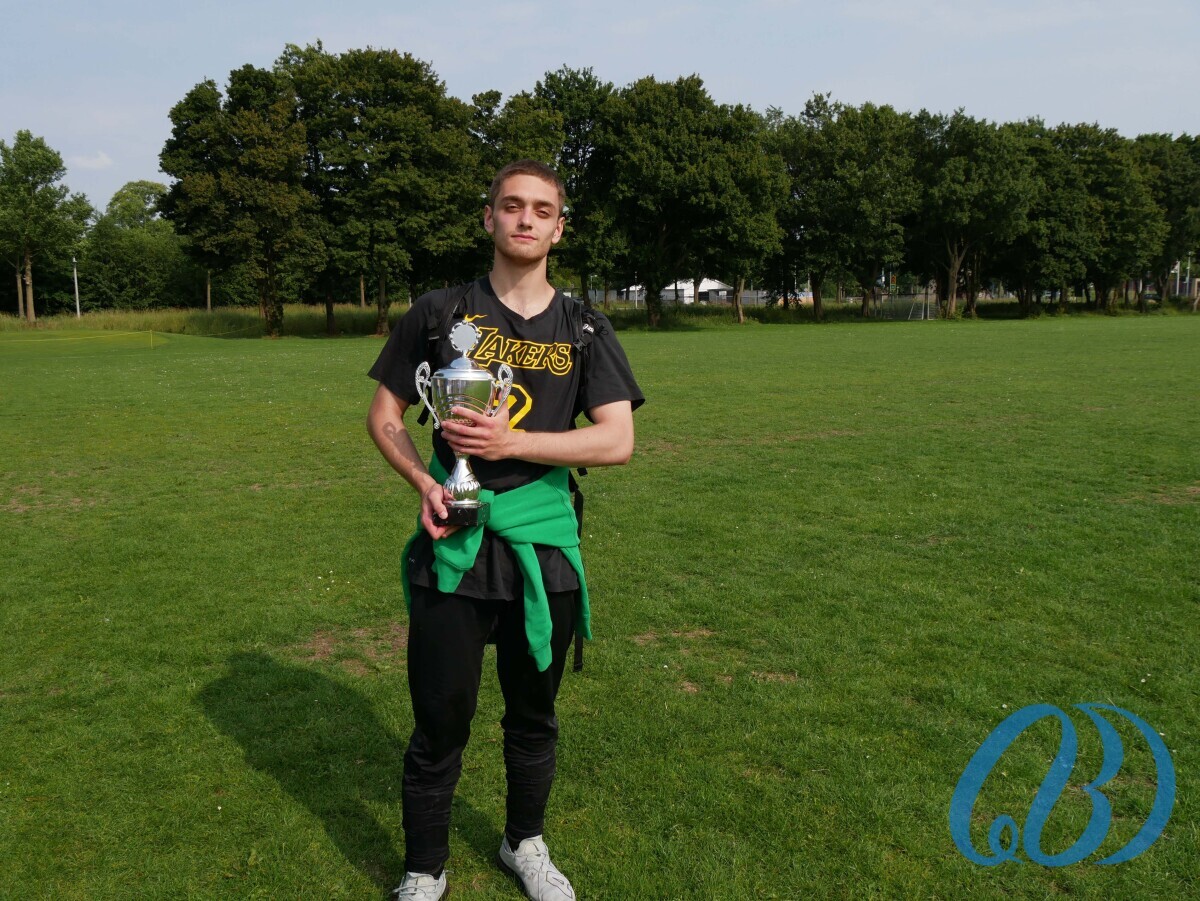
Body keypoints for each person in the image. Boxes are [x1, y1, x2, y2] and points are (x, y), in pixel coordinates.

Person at [366, 160, 644, 901]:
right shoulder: (440, 313)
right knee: (439, 721)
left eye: (541, 210)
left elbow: (616, 440)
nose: (526, 219)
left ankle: (524, 842)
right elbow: (384, 416)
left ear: (559, 228)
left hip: (542, 548)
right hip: (453, 542)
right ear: (488, 217)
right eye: (512, 206)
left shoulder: (585, 326)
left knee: (533, 715)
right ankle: (424, 868)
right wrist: (426, 482)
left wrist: (512, 442)